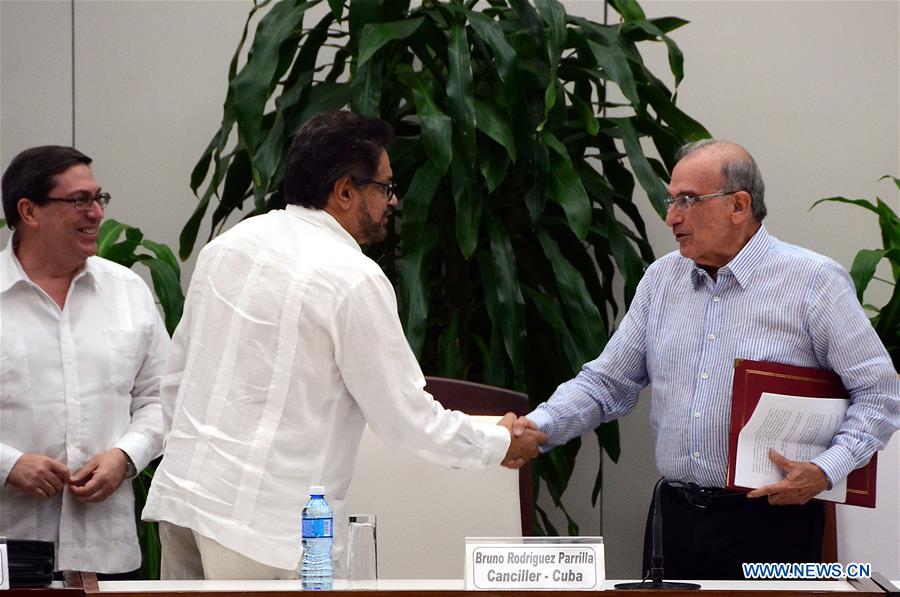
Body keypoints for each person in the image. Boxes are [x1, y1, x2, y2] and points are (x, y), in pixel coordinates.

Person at [142, 110, 546, 580]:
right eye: (386, 187)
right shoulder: (350, 277)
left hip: (184, 501)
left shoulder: (228, 246)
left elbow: (177, 377)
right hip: (260, 531)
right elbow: (405, 420)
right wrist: (498, 441)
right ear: (346, 191)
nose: (392, 202)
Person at [513, 140, 899, 579]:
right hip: (674, 518)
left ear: (739, 205)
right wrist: (538, 428)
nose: (671, 217)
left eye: (688, 200)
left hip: (773, 521)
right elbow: (606, 383)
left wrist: (824, 470)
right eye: (671, 200)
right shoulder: (661, 281)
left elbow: (879, 394)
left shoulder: (812, 281)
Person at [0, 146, 168, 575]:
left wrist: (125, 457)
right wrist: (8, 465)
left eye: (98, 199)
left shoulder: (128, 292)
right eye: (79, 201)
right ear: (29, 211)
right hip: (9, 550)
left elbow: (163, 398)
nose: (96, 213)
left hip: (106, 553)